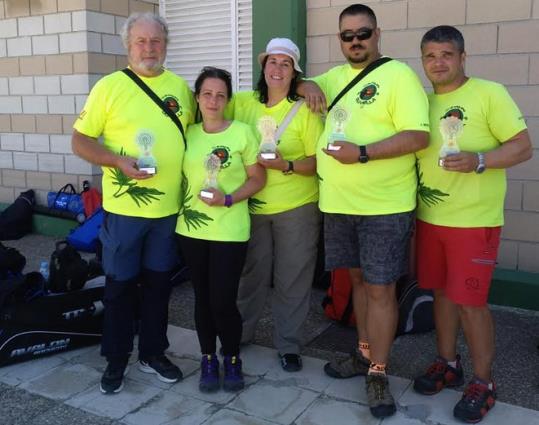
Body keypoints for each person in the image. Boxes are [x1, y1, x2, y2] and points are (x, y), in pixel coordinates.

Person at [300, 3, 430, 419]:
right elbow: (295, 81)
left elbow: (417, 136)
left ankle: (378, 370)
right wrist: (304, 86)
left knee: (380, 288)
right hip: (339, 204)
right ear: (339, 39)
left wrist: (362, 154)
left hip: (384, 207)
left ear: (378, 34)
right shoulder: (333, 78)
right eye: (347, 35)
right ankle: (361, 353)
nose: (355, 41)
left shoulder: (398, 76)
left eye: (363, 33)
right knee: (356, 280)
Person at [413, 25, 532, 423]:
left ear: (463, 57)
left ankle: (484, 382)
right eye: (430, 56)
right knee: (442, 296)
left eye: (446, 54)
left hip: (474, 222)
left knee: (470, 302)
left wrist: (479, 160)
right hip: (431, 219)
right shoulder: (422, 102)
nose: (438, 62)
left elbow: (522, 146)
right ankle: (448, 363)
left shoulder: (489, 93)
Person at [71, 12, 195, 394]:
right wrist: (116, 161)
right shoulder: (109, 87)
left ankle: (153, 353)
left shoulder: (181, 89)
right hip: (125, 213)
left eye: (156, 41)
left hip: (166, 213)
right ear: (128, 45)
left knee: (159, 287)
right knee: (120, 287)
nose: (149, 48)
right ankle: (117, 359)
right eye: (141, 41)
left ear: (166, 45)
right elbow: (81, 141)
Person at [229, 38, 323, 372]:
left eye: (286, 64)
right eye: (273, 62)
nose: (277, 69)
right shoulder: (243, 103)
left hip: (297, 207)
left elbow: (317, 161)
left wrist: (286, 166)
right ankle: (239, 333)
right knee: (250, 275)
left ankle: (289, 345)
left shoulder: (305, 109)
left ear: (295, 71)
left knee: (292, 277)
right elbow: (209, 104)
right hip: (253, 205)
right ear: (263, 66)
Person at [176, 67, 266, 393]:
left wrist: (228, 198)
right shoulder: (187, 133)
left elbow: (258, 179)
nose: (213, 100)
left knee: (223, 301)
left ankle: (231, 357)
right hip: (191, 228)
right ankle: (207, 358)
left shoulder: (242, 133)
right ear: (197, 97)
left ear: (228, 99)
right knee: (202, 298)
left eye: (220, 95)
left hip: (230, 229)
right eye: (207, 94)